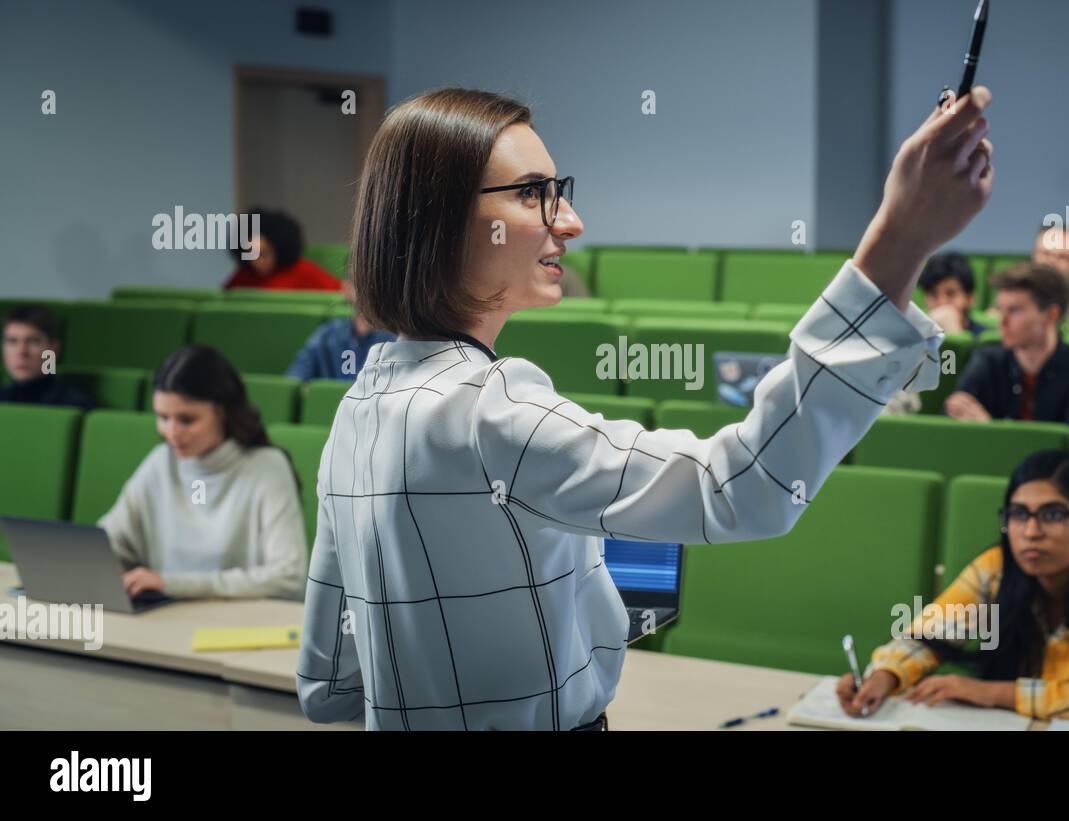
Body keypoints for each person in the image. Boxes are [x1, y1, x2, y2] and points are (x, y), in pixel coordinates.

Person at [296, 84, 996, 730]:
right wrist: (901, 235)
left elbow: (328, 683)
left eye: (559, 191)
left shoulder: (359, 411)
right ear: (442, 219)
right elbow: (742, 485)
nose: (569, 220)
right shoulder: (490, 411)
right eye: (533, 193)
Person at [838, 450, 1069, 727]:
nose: (1030, 532)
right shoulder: (997, 568)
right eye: (1019, 514)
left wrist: (996, 693)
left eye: (1053, 515)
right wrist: (885, 676)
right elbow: (929, 636)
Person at [98, 345, 308, 601]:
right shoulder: (159, 462)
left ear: (222, 413)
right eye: (163, 417)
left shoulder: (267, 468)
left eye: (187, 420)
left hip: (236, 627)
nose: (172, 433)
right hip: (163, 620)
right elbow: (107, 544)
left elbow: (289, 577)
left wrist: (170, 584)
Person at [945, 262, 1069, 432]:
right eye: (1000, 310)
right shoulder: (988, 360)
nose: (1002, 321)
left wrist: (990, 430)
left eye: (1014, 310)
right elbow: (951, 425)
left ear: (1051, 314)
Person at [285, 280, 396, 382]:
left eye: (373, 283)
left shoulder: (396, 339)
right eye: (360, 283)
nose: (367, 291)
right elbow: (294, 379)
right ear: (346, 289)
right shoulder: (327, 335)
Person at [222, 208, 343, 292]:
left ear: (279, 249)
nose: (256, 261)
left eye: (263, 254)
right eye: (249, 253)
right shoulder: (244, 275)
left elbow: (342, 293)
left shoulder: (304, 271)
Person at [0, 305, 94, 411]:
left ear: (53, 349)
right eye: (12, 341)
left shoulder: (75, 406)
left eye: (33, 341)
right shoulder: (2, 399)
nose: (22, 352)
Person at [919, 252, 986, 337]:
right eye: (933, 295)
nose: (942, 302)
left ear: (970, 298)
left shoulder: (985, 341)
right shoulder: (915, 336)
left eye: (951, 294)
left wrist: (954, 334)